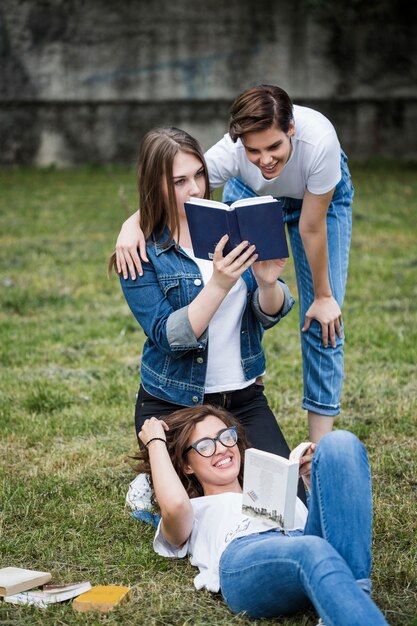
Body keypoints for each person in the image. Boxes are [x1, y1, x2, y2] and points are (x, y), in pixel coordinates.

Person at [114, 85, 354, 443]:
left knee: (324, 317)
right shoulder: (225, 160)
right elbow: (170, 189)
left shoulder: (319, 143)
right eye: (254, 150)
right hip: (179, 398)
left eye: (274, 146)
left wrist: (307, 293)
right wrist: (131, 223)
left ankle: (318, 450)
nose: (266, 158)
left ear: (291, 130)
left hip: (316, 201)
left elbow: (310, 227)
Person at [110, 126, 301, 499]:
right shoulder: (140, 252)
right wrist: (219, 284)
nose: (195, 189)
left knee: (287, 503)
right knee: (214, 505)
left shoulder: (228, 227)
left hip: (242, 399)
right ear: (155, 185)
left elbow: (268, 314)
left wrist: (265, 283)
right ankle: (158, 480)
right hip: (176, 405)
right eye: (179, 181)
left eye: (199, 174)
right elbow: (170, 337)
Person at [137, 405, 389, 626]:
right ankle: (346, 604)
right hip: (245, 560)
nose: (221, 449)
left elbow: (333, 527)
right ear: (186, 465)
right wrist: (155, 442)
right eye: (204, 445)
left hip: (301, 541)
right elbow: (175, 506)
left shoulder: (272, 492)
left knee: (339, 444)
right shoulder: (195, 511)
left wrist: (313, 479)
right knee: (312, 548)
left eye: (226, 437)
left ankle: (348, 597)